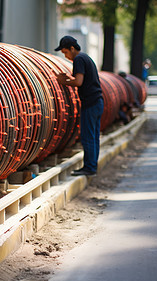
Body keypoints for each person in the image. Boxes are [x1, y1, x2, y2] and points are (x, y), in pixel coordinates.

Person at [54, 36, 104, 176]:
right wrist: (68, 79)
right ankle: (92, 166)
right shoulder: (85, 57)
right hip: (97, 102)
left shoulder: (79, 59)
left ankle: (89, 168)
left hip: (90, 103)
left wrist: (63, 82)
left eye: (65, 52)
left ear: (72, 48)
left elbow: (79, 82)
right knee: (93, 137)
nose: (65, 56)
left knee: (87, 137)